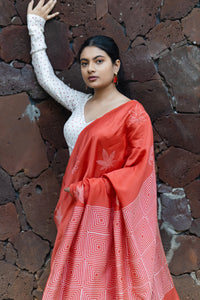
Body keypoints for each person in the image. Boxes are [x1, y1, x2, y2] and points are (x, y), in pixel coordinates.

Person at [27, 0, 180, 299]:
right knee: (77, 283)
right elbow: (46, 80)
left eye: (99, 61)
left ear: (116, 66)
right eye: (84, 63)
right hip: (77, 207)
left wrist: (93, 188)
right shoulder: (78, 103)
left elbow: (139, 170)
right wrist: (35, 27)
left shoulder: (133, 113)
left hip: (109, 209)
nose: (90, 69)